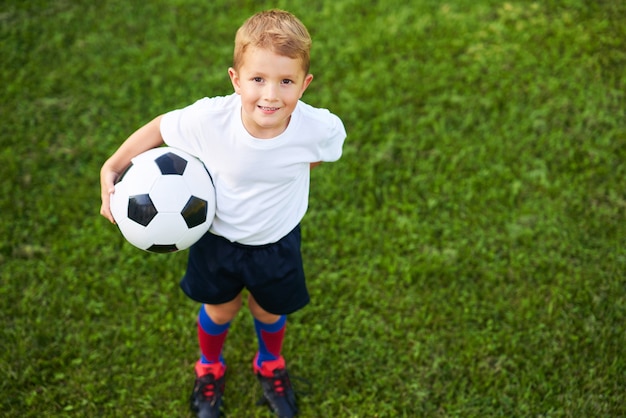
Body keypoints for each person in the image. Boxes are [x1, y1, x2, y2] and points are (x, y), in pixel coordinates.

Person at [99, 9, 346, 418]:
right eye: (258, 80)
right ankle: (209, 368)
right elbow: (161, 127)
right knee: (220, 308)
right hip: (217, 240)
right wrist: (114, 164)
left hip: (277, 240)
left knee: (269, 309)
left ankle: (270, 364)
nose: (270, 95)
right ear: (235, 80)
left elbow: (317, 157)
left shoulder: (319, 128)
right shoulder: (211, 119)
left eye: (285, 82)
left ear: (305, 85)